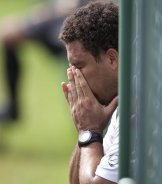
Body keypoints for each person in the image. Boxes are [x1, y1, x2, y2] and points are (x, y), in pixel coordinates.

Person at [59, 1, 119, 183]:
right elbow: (75, 180)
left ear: (111, 59)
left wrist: (89, 130)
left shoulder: (136, 107)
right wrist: (85, 130)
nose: (72, 75)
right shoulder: (119, 103)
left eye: (78, 66)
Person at [0, 0, 87, 122]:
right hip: (56, 16)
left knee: (74, 44)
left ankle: (91, 118)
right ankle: (12, 108)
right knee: (9, 35)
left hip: (82, 17)